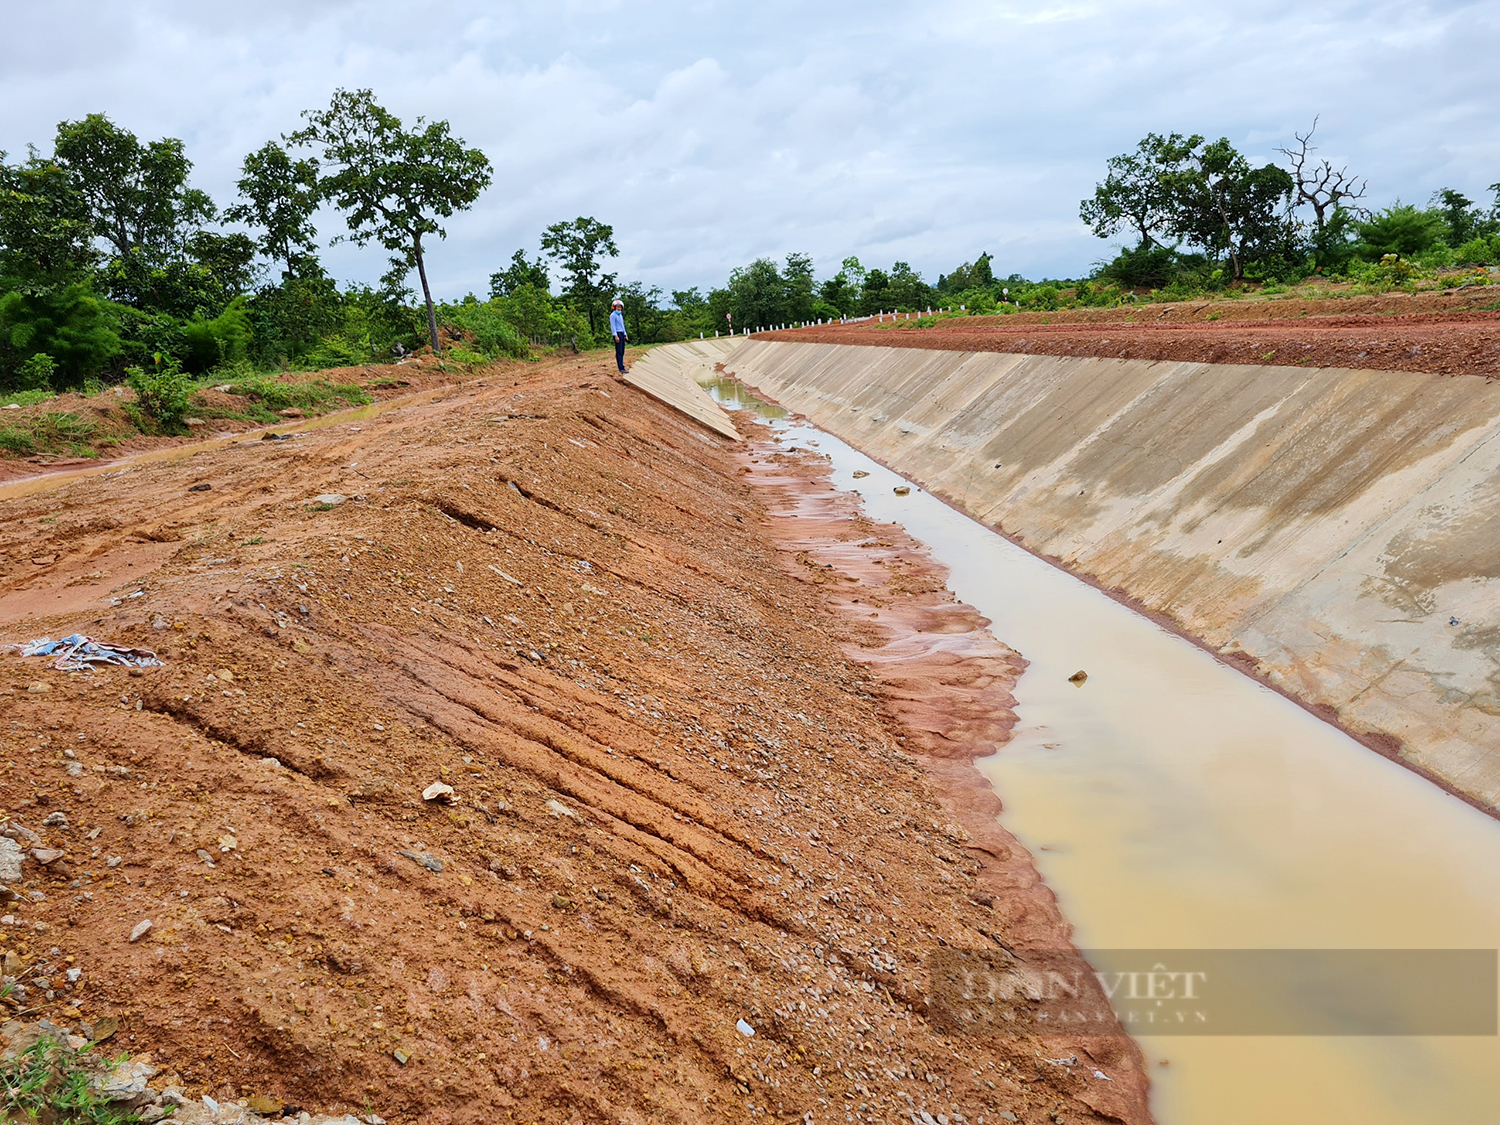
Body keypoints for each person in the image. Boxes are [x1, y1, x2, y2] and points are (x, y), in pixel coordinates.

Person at [609, 298, 628, 374]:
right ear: (614, 307)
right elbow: (613, 326)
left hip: (622, 333)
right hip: (617, 333)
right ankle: (620, 367)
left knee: (622, 351)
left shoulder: (620, 315)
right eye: (617, 307)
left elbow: (622, 325)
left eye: (620, 307)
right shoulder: (613, 315)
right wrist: (615, 336)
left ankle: (622, 366)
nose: (619, 308)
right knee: (619, 351)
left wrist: (625, 334)